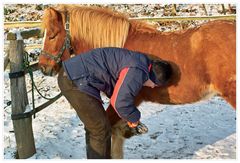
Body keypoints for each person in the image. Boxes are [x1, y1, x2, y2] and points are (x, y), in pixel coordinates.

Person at [58, 47, 173, 159]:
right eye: (155, 85)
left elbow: (117, 88)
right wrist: (134, 119)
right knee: (101, 129)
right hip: (74, 80)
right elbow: (120, 102)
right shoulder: (137, 71)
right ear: (154, 79)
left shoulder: (139, 62)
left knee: (96, 127)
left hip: (74, 75)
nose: (152, 87)